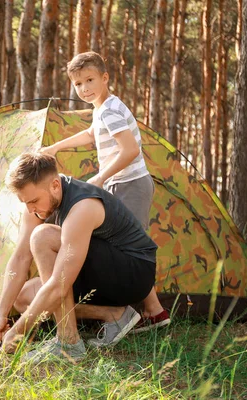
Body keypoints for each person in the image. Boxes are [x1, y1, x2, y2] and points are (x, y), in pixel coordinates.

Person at [39, 51, 169, 331]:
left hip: (130, 184)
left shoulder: (110, 109)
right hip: (120, 183)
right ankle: (153, 311)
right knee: (121, 246)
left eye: (90, 80)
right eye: (78, 84)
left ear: (105, 78)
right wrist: (55, 147)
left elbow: (131, 150)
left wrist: (101, 177)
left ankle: (145, 313)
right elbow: (90, 135)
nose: (84, 88)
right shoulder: (102, 109)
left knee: (130, 250)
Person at [0, 152, 158, 362]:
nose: (30, 209)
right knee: (24, 298)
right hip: (96, 273)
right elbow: (21, 257)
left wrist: (17, 332)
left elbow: (59, 285)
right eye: (24, 202)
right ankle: (114, 315)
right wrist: (1, 315)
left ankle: (68, 343)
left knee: (42, 237)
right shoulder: (34, 207)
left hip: (134, 274)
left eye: (33, 200)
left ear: (54, 185)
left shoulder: (82, 206)